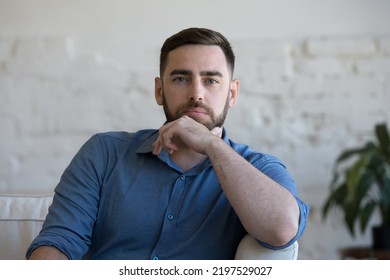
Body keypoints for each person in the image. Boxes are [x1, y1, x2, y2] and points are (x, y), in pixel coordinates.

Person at [26, 27, 310, 260]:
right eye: (181, 78)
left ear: (232, 94)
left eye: (211, 80)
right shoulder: (105, 153)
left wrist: (211, 145)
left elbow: (283, 230)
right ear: (159, 90)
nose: (196, 94)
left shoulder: (258, 169)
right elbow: (59, 242)